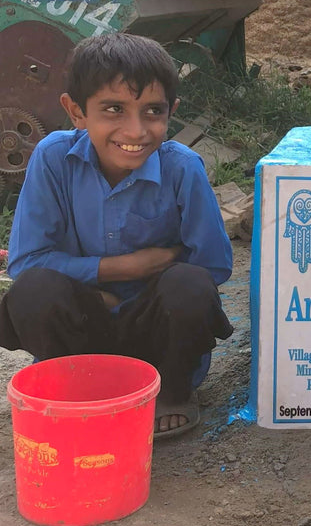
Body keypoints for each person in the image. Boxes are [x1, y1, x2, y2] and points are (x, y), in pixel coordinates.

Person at [0, 33, 234, 438]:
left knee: (190, 285)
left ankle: (171, 391)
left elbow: (213, 264)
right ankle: (76, 392)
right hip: (81, 331)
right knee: (33, 290)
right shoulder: (53, 159)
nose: (136, 130)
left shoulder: (182, 168)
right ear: (76, 111)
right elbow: (25, 261)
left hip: (157, 336)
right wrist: (121, 269)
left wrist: (147, 288)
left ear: (172, 112)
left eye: (153, 111)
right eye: (114, 109)